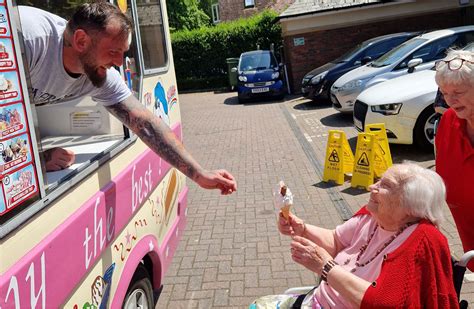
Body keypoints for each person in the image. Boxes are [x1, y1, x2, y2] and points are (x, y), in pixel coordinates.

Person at [18, 3, 236, 194]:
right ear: (81, 40)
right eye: (113, 51)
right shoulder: (27, 43)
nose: (120, 63)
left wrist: (199, 174)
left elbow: (145, 124)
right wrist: (38, 160)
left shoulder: (100, 73)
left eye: (123, 53)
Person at [251, 163, 457, 308]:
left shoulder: (419, 241)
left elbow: (384, 303)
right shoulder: (372, 216)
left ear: (411, 204)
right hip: (317, 300)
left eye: (384, 186)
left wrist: (326, 268)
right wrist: (303, 228)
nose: (371, 187)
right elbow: (337, 240)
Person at [435, 48, 474, 270]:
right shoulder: (450, 121)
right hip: (469, 238)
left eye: (458, 92)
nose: (450, 100)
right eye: (444, 93)